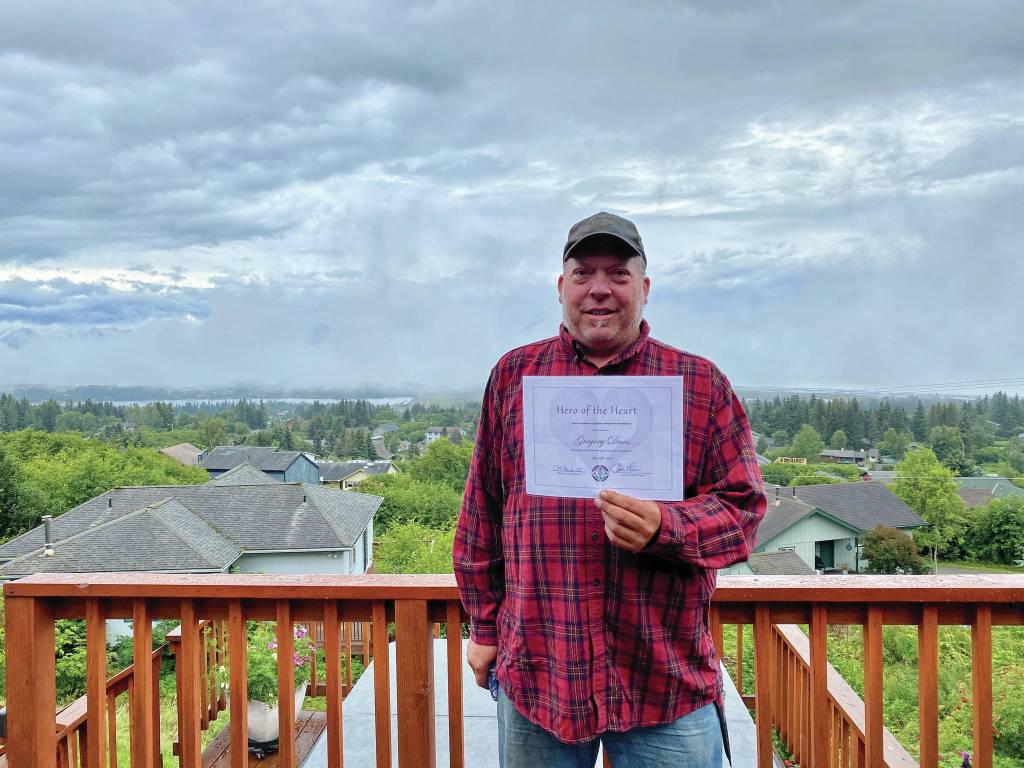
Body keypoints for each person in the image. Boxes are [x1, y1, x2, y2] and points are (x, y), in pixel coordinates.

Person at [453, 211, 766, 768]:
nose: (600, 289)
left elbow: (744, 511)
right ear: (561, 288)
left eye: (618, 274)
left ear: (644, 288)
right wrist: (482, 627)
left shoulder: (698, 382)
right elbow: (482, 517)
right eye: (583, 273)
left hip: (663, 682)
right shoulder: (513, 377)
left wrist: (666, 528)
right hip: (539, 676)